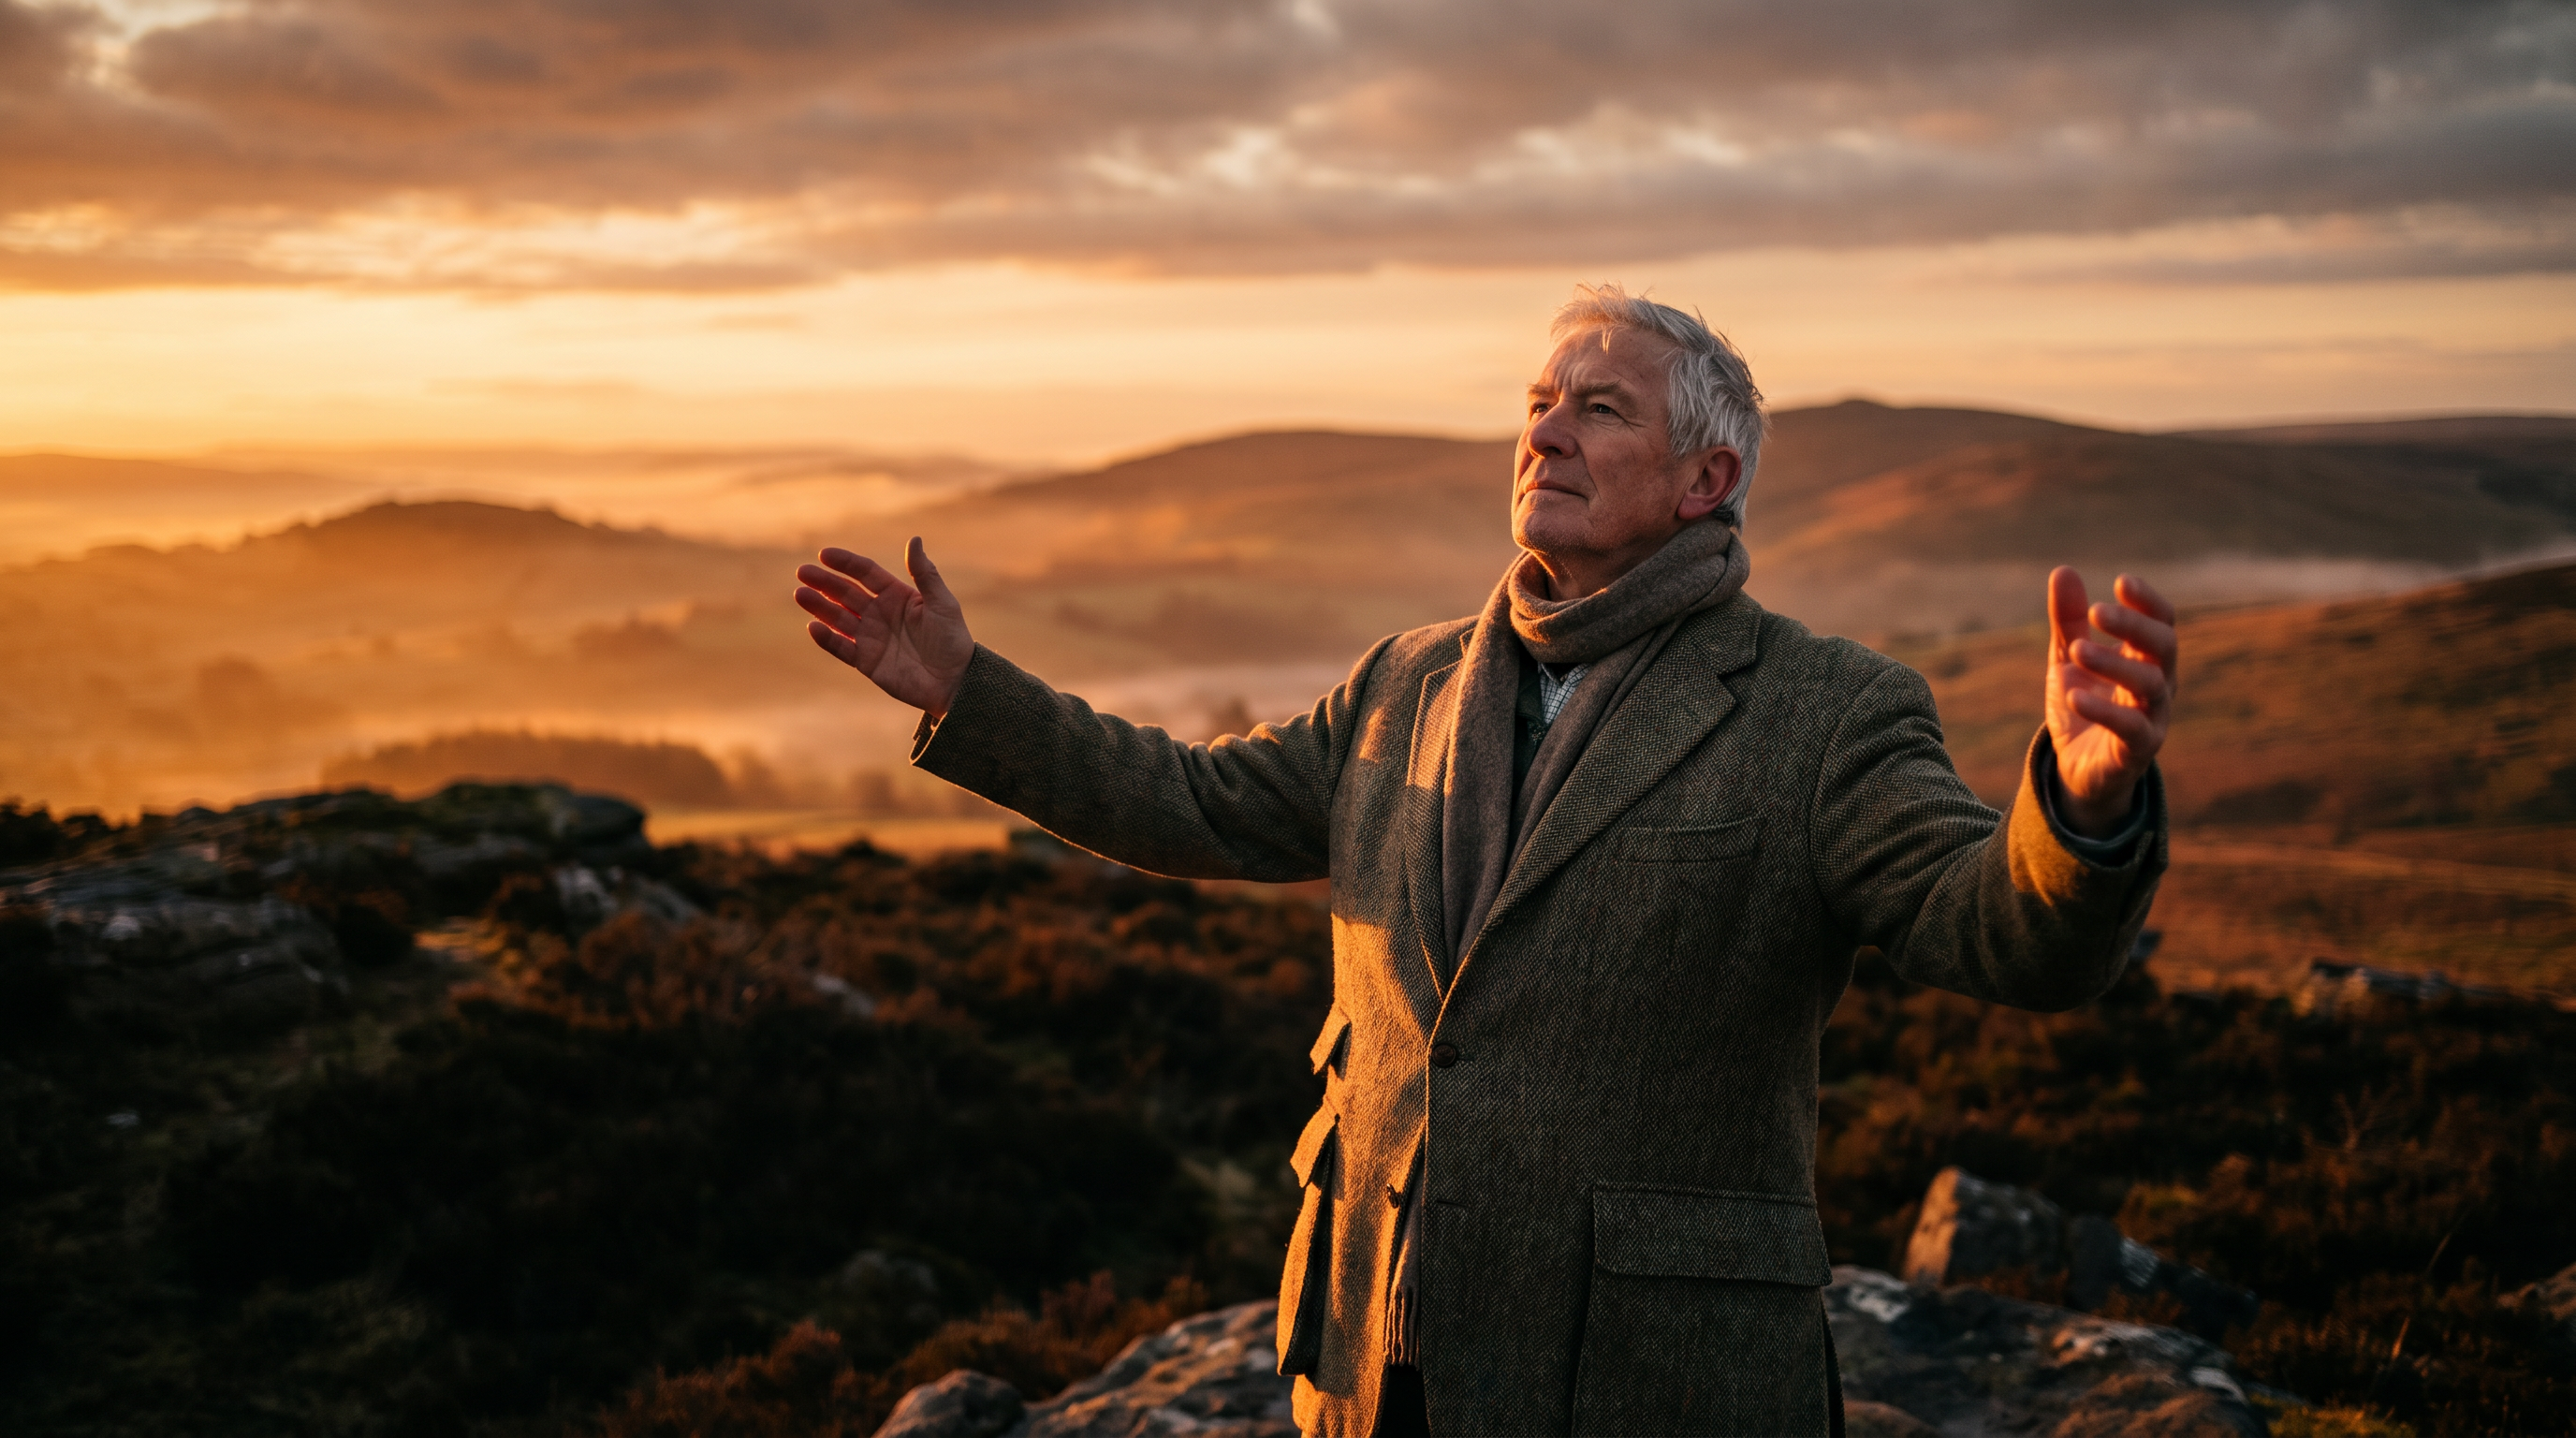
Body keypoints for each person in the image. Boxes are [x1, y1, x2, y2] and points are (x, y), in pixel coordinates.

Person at [793, 284, 2177, 1438]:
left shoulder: (1825, 711)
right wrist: (967, 693)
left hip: (1659, 1388)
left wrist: (2083, 806)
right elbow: (1195, 806)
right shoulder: (1405, 683)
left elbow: (1993, 928)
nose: (1548, 434)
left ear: (1713, 479)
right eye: (1537, 404)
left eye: (1600, 408)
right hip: (1381, 1362)